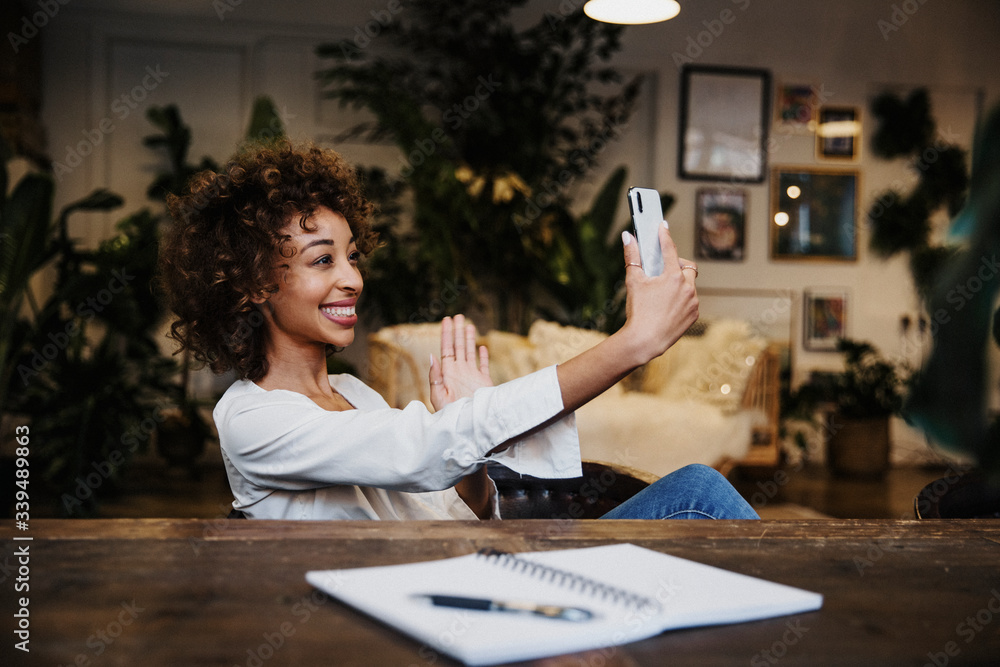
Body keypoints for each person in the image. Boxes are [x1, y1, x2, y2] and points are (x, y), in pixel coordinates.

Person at [159, 140, 758, 521]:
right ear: (254, 285)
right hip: (399, 622)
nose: (353, 279)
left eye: (351, 255)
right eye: (322, 260)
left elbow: (461, 511)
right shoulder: (250, 418)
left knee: (695, 489)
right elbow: (422, 451)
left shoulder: (358, 396)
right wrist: (634, 345)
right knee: (699, 498)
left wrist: (474, 452)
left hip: (472, 575)